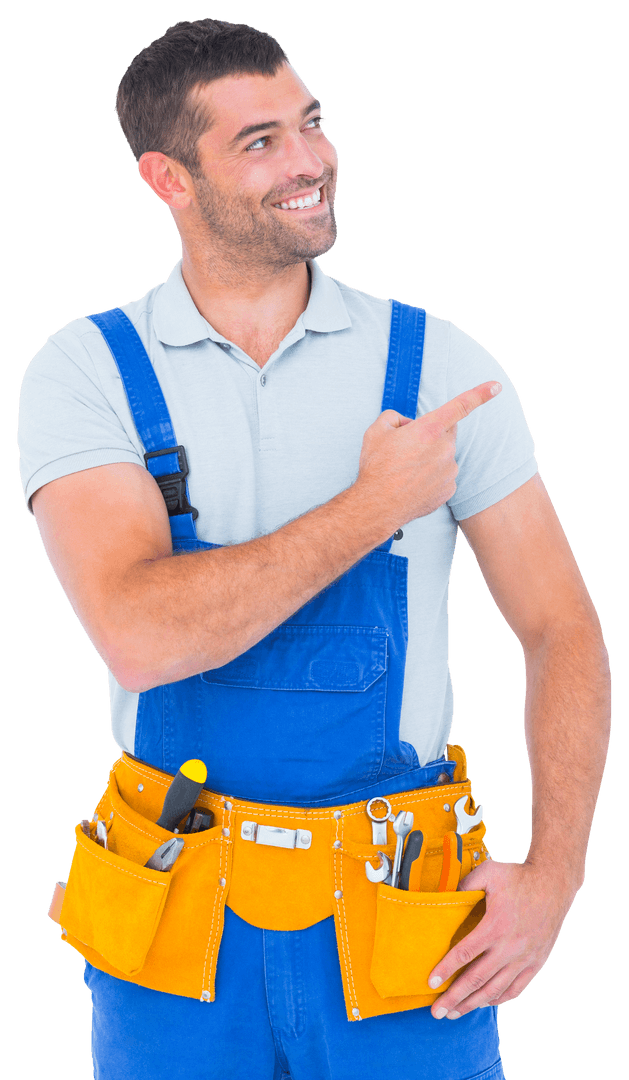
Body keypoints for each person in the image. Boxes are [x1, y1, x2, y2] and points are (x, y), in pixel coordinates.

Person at [17, 17, 610, 1080]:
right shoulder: (88, 370)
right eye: (258, 142)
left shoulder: (436, 365)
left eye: (311, 124)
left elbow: (557, 624)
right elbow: (141, 636)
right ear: (168, 177)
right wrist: (371, 505)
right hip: (174, 917)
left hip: (402, 916)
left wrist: (558, 874)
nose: (309, 162)